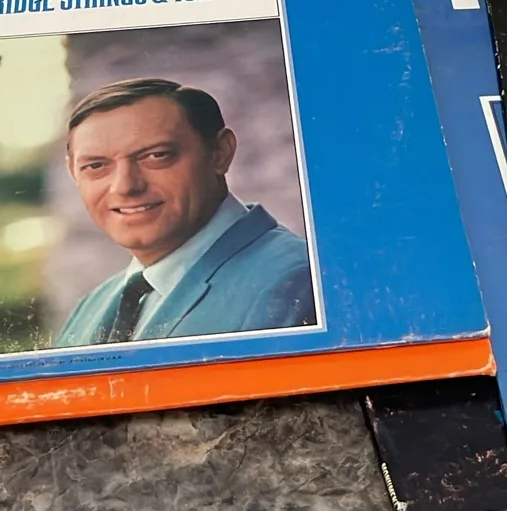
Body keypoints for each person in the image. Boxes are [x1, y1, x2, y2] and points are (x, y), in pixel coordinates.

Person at [54, 77, 315, 344]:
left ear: (220, 153)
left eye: (157, 155)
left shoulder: (297, 283)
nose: (125, 186)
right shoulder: (89, 308)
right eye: (96, 166)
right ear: (73, 172)